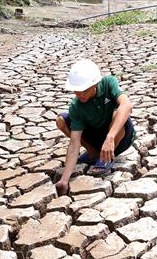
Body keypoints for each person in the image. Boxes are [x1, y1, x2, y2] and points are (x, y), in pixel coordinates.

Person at [55, 59, 135, 196]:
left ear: (95, 84)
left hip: (120, 138)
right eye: (76, 91)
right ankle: (94, 153)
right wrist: (64, 180)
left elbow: (127, 105)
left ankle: (106, 158)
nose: (80, 94)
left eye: (84, 90)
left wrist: (110, 137)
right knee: (61, 119)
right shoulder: (76, 106)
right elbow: (74, 144)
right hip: (97, 138)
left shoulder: (108, 83)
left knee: (118, 112)